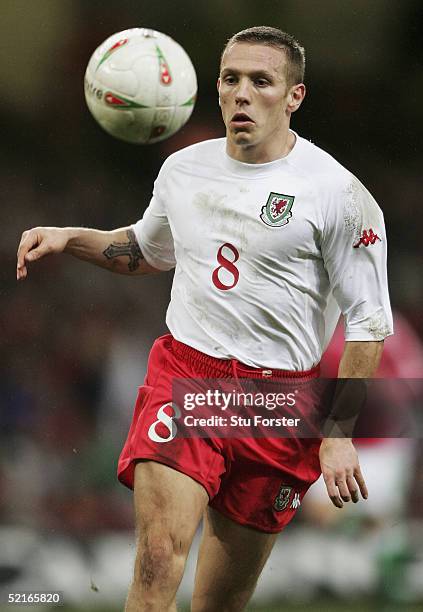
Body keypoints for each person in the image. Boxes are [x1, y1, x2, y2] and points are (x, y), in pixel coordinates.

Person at [16, 26, 393, 612]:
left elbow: (369, 323)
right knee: (158, 558)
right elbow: (145, 251)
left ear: (294, 97)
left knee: (219, 602)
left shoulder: (339, 196)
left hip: (279, 404)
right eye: (231, 79)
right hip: (188, 379)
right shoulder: (184, 170)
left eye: (261, 81)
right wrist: (70, 238)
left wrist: (338, 435)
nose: (242, 93)